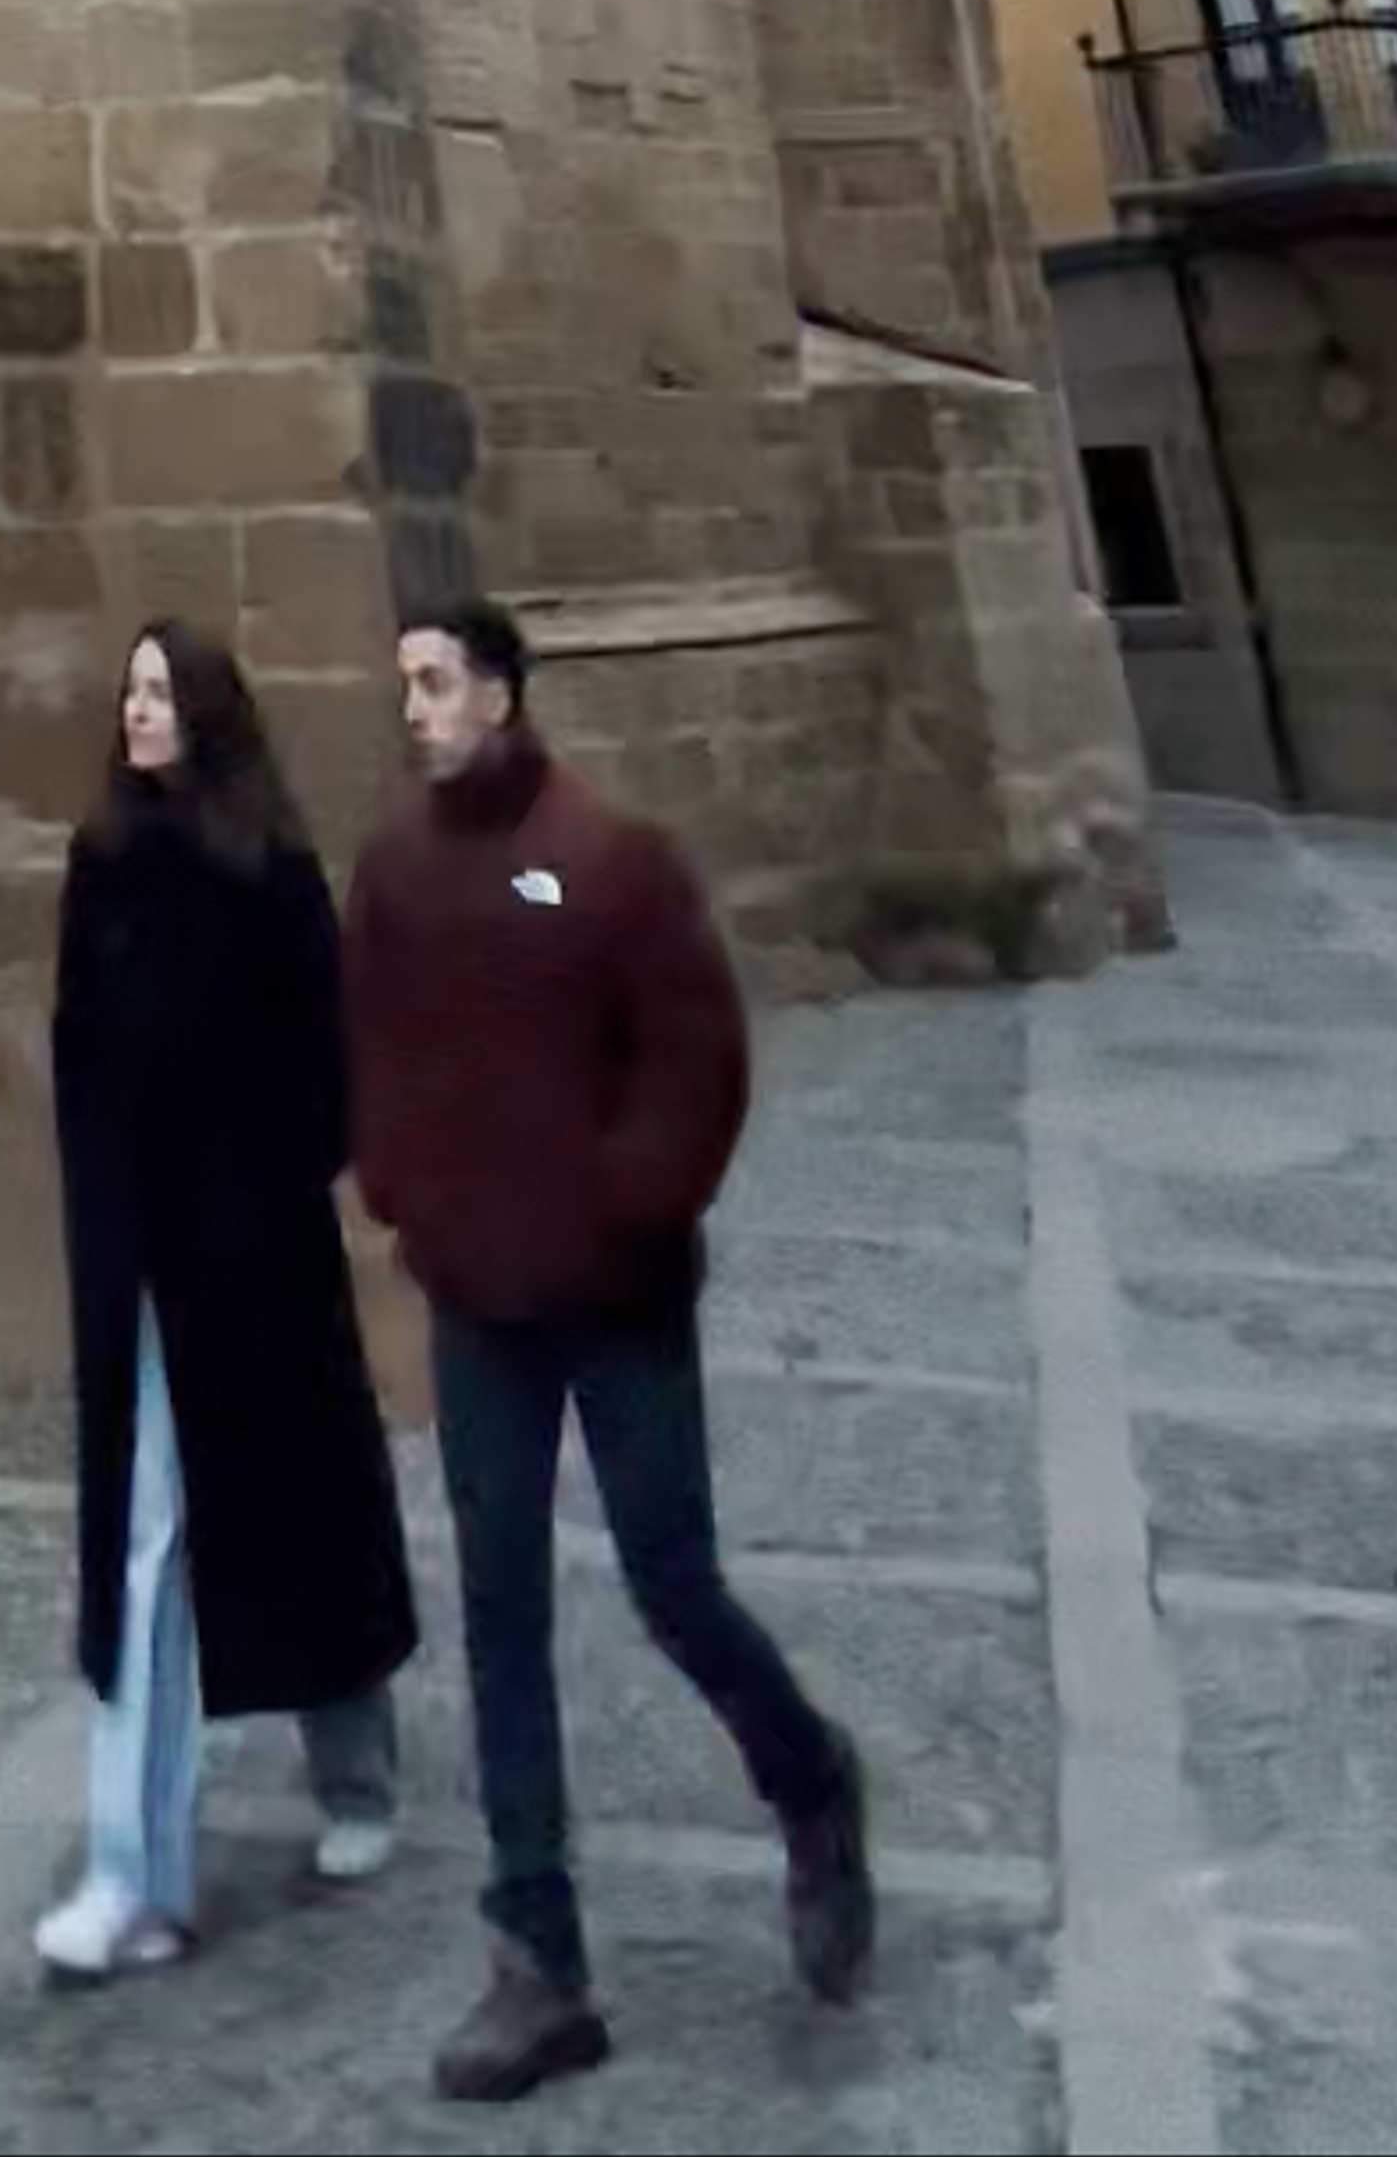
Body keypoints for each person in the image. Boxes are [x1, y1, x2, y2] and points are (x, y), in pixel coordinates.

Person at [345, 600, 872, 2107]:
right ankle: (537, 1958)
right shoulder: (395, 866)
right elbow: (371, 1038)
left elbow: (697, 1057)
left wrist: (625, 1201)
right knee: (499, 1605)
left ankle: (812, 1778)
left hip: (618, 1294)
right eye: (407, 685)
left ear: (502, 690)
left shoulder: (612, 854)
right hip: (478, 1300)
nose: (418, 708)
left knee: (674, 1579)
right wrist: (402, 1188)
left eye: (438, 682)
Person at [37, 619, 421, 1981]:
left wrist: (266, 1189)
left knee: (301, 1514)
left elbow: (328, 1045)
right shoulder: (104, 860)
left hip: (255, 1256)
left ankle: (360, 1774)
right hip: (145, 1263)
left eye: (158, 690)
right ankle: (134, 1870)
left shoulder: (265, 864)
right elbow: (78, 1044)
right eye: (128, 689)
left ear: (205, 712)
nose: (137, 711)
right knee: (146, 1550)